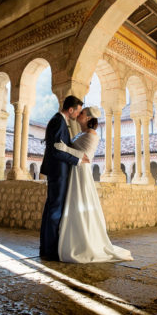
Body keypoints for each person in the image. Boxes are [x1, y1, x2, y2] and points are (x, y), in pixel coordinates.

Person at [54, 106, 133, 263]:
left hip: (81, 173)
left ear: (88, 118)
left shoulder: (92, 134)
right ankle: (75, 240)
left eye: (82, 113)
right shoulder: (82, 133)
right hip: (75, 171)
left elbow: (87, 157)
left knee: (81, 204)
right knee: (75, 206)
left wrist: (65, 148)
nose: (79, 114)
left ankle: (84, 243)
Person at [39, 95, 89, 260]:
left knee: (51, 209)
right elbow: (57, 151)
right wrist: (77, 160)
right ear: (71, 110)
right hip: (58, 172)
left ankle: (45, 249)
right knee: (55, 211)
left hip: (55, 171)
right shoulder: (59, 121)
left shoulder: (57, 120)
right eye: (78, 111)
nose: (78, 115)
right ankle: (51, 251)